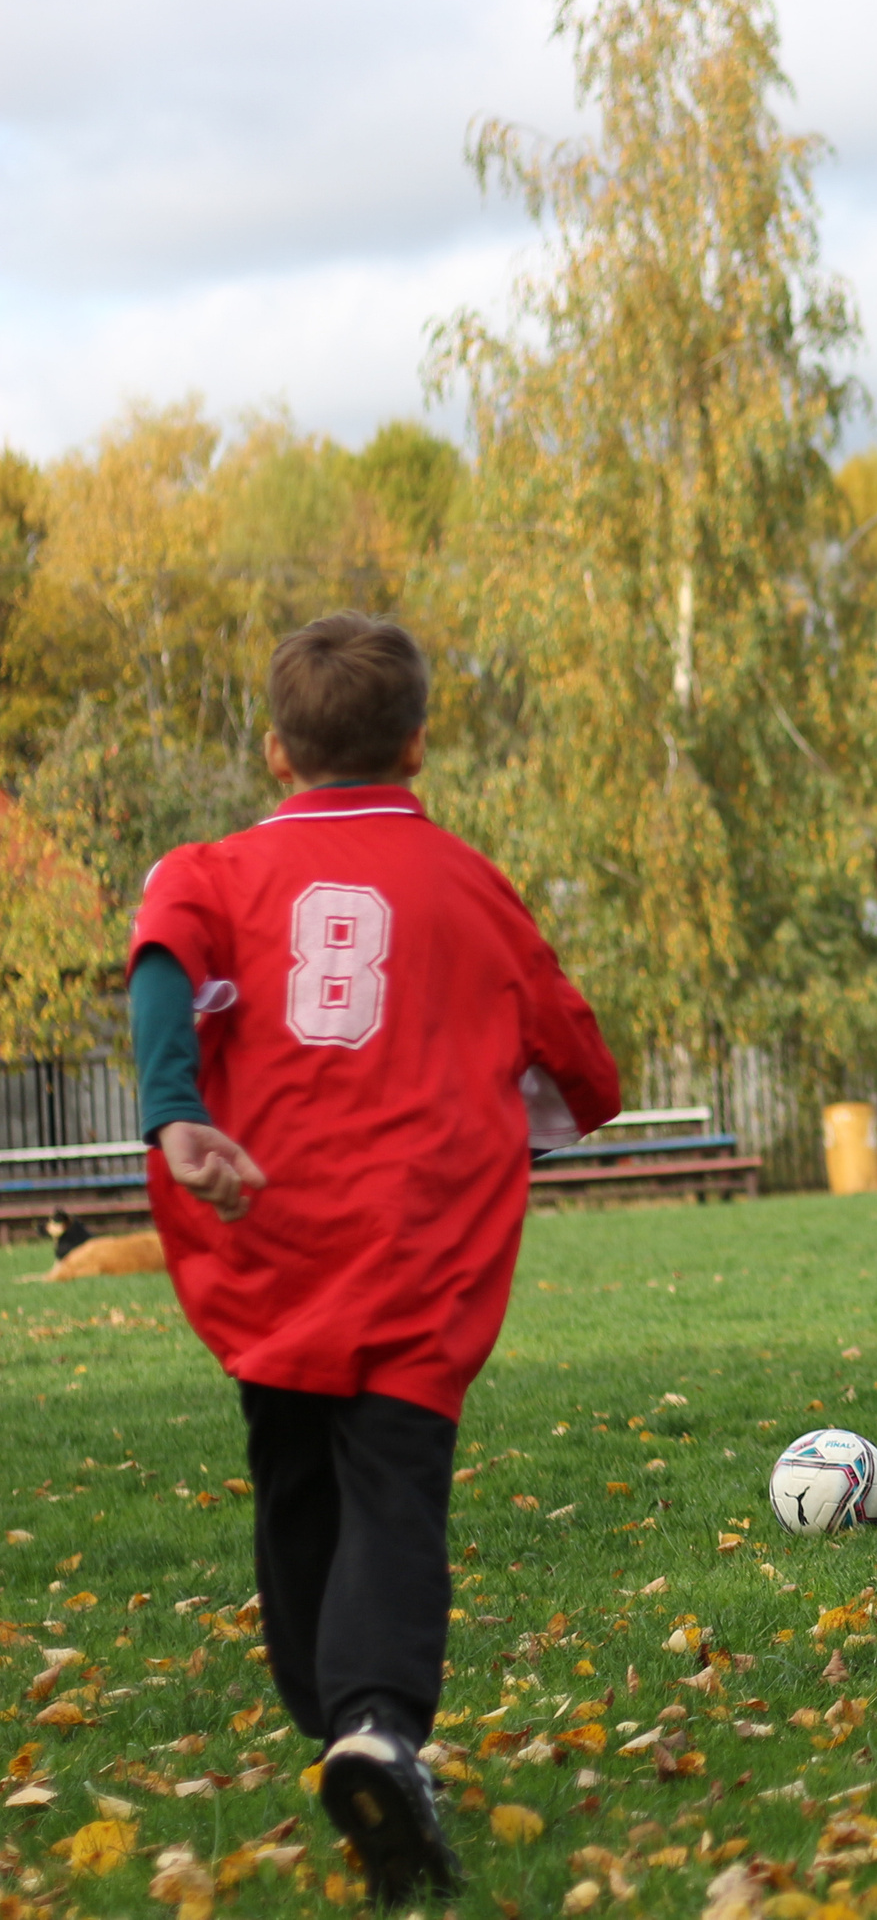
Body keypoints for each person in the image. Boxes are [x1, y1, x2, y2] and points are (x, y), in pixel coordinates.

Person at [128, 612, 619, 1905]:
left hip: (268, 1233)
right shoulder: (469, 885)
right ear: (416, 742)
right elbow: (577, 1059)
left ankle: (330, 1709)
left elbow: (164, 958)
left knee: (294, 1475)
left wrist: (174, 1107)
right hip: (416, 1243)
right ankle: (376, 1726)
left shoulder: (211, 869)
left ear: (276, 749)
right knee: (395, 1486)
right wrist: (534, 1104)